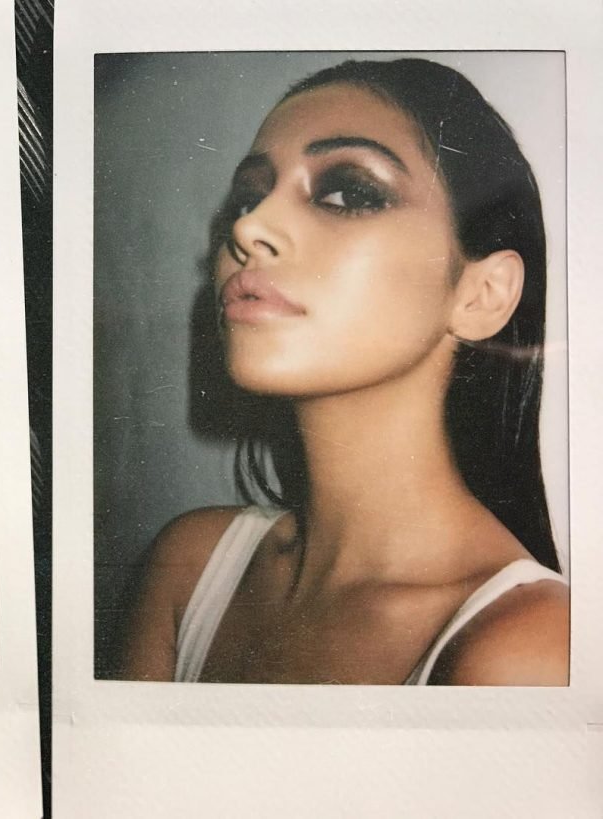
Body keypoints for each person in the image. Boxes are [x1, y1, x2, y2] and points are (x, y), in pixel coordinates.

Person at [123, 58, 569, 686]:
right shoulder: (189, 568)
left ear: (482, 295)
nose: (248, 228)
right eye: (248, 197)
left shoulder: (527, 649)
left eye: (348, 194)